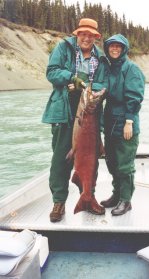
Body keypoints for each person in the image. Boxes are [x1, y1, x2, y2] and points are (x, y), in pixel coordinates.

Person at [42, 18, 109, 222]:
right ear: (77, 34)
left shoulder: (101, 59)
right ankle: (59, 201)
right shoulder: (63, 48)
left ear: (96, 37)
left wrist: (93, 91)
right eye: (83, 34)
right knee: (61, 158)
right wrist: (72, 78)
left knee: (90, 158)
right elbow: (52, 72)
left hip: (90, 112)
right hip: (63, 111)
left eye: (91, 35)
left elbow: (102, 83)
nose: (86, 38)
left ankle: (89, 196)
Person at [100, 34, 145, 216]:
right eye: (112, 46)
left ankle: (126, 200)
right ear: (107, 48)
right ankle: (117, 194)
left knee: (125, 165)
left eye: (119, 46)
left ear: (124, 49)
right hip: (110, 122)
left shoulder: (131, 68)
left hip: (126, 123)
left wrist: (129, 122)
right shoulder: (109, 69)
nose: (115, 49)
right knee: (112, 162)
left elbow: (134, 97)